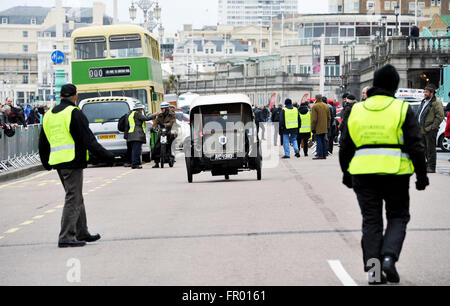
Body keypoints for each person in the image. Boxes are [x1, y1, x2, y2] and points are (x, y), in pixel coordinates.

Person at [339, 64, 428, 285]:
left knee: (372, 221)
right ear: (395, 86)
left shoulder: (357, 110)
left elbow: (345, 146)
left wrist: (346, 172)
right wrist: (421, 175)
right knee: (398, 216)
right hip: (395, 173)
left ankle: (374, 272)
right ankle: (388, 257)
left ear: (375, 84)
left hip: (363, 174)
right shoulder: (401, 109)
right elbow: (416, 145)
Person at [39, 84, 115, 248]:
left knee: (76, 196)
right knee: (73, 197)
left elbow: (43, 142)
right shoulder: (74, 113)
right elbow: (88, 140)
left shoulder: (49, 115)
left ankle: (82, 232)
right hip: (72, 161)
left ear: (60, 96)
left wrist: (45, 163)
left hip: (58, 161)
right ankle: (66, 236)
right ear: (75, 97)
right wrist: (108, 157)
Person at [416, 83, 444, 173]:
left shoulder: (436, 103)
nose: (425, 93)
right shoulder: (424, 101)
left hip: (430, 130)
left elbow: (440, 116)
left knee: (430, 150)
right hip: (421, 129)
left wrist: (432, 127)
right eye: (425, 91)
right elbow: (419, 114)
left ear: (432, 93)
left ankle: (431, 167)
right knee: (422, 150)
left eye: (427, 92)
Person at [125, 103, 156, 169]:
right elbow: (146, 118)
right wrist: (154, 115)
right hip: (137, 135)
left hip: (131, 134)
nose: (142, 110)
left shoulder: (131, 114)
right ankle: (135, 164)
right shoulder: (137, 113)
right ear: (138, 108)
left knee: (135, 150)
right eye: (141, 108)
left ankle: (136, 163)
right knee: (136, 150)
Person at [152, 102, 176, 168]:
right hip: (162, 132)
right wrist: (153, 128)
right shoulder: (160, 115)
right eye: (161, 108)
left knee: (170, 145)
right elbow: (156, 122)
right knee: (156, 147)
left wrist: (165, 125)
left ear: (166, 109)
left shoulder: (172, 115)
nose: (162, 110)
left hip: (170, 131)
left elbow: (172, 122)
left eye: (163, 108)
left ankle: (170, 157)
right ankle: (156, 163)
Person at [311, 94, 331, 160]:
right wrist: (327, 126)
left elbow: (314, 119)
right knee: (323, 140)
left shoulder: (315, 106)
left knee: (318, 140)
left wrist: (313, 128)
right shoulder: (326, 106)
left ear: (316, 98)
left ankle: (320, 154)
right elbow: (329, 118)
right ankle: (324, 154)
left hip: (318, 127)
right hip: (325, 127)